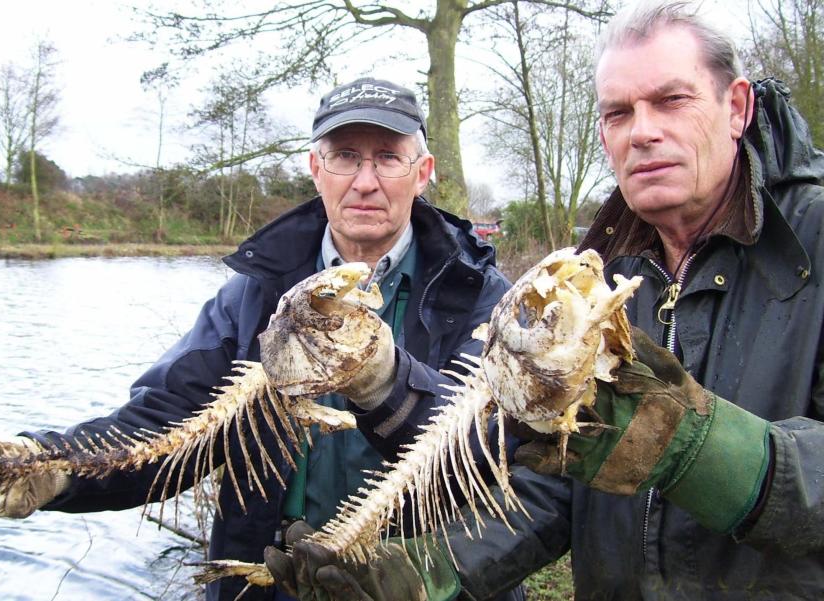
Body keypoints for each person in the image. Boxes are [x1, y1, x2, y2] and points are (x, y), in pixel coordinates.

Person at [269, 1, 824, 599]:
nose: (642, 131)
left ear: (736, 107)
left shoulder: (810, 241)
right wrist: (424, 572)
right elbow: (553, 483)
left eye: (672, 101)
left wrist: (696, 450)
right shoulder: (601, 279)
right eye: (617, 112)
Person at [0, 77, 523, 601]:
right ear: (315, 169)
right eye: (345, 157)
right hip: (264, 582)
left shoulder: (481, 296)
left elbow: (488, 450)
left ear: (422, 173)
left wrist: (380, 380)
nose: (365, 182)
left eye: (388, 158)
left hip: (421, 586)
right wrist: (58, 468)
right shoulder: (255, 295)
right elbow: (165, 422)